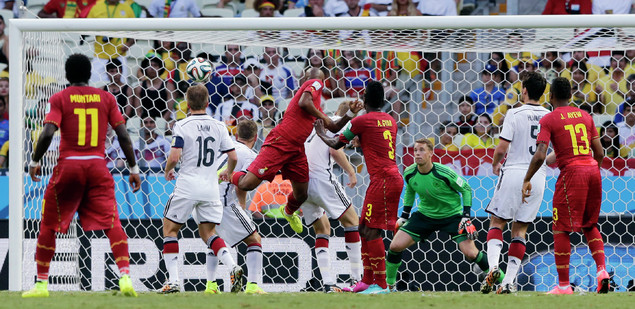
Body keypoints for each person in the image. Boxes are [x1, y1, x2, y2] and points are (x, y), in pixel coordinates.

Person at [22, 54, 141, 298]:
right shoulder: (107, 97)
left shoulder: (59, 98)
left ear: (66, 75)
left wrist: (35, 161)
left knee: (48, 224)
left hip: (69, 166)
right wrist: (133, 168)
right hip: (98, 166)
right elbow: (123, 136)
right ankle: (125, 276)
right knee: (112, 223)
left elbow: (46, 134)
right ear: (90, 74)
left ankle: (42, 285)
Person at [230, 68, 362, 235]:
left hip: (297, 149)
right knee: (246, 184)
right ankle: (227, 173)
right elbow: (304, 102)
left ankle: (288, 212)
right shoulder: (314, 83)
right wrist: (321, 115)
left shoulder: (315, 109)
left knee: (301, 194)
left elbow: (335, 126)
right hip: (280, 142)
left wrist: (351, 113)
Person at [522, 77, 609, 294]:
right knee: (589, 225)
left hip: (572, 174)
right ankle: (602, 272)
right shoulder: (585, 116)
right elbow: (599, 152)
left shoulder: (549, 119)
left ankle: (563, 286)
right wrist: (589, 171)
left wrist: (527, 178)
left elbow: (540, 153)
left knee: (561, 229)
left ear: (550, 96)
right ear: (570, 96)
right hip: (591, 171)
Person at [313, 80, 402, 294]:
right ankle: (366, 280)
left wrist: (320, 133)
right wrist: (361, 141)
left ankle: (381, 284)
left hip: (383, 179)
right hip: (387, 178)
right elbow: (376, 142)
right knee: (363, 227)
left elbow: (335, 143)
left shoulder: (361, 121)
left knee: (372, 230)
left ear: (364, 99)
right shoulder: (390, 120)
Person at [158, 84, 244, 294]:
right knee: (209, 233)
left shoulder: (182, 125)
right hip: (210, 189)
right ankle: (232, 266)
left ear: (187, 105)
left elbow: (174, 156)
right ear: (207, 103)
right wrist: (228, 173)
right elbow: (233, 156)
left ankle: (174, 281)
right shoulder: (219, 126)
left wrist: (168, 169)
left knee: (170, 230)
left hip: (187, 186)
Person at [385, 138, 493, 291]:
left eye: (422, 150)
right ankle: (389, 287)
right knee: (395, 246)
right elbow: (410, 190)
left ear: (431, 153)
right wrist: (404, 215)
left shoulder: (443, 172)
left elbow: (466, 189)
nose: (417, 153)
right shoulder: (409, 172)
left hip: (451, 216)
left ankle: (501, 280)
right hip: (424, 216)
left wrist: (466, 217)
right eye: (415, 150)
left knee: (471, 253)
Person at [482, 71, 550, 294]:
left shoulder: (514, 113)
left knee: (497, 222)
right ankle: (509, 281)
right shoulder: (549, 115)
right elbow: (555, 153)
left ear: (525, 90)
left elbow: (502, 148)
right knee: (520, 230)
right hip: (537, 177)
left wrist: (495, 163)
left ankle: (493, 267)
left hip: (513, 172)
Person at [301, 103, 362, 292]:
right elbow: (335, 149)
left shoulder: (313, 127)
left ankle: (328, 283)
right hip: (321, 179)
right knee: (352, 221)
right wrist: (351, 172)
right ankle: (356, 279)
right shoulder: (338, 122)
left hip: (302, 182)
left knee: (322, 228)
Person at [214, 120, 267, 294]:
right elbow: (242, 184)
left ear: (236, 135)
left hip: (205, 196)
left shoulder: (224, 147)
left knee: (213, 239)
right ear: (256, 137)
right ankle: (252, 286)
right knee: (254, 239)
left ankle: (210, 285)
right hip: (224, 201)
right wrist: (242, 206)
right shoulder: (250, 154)